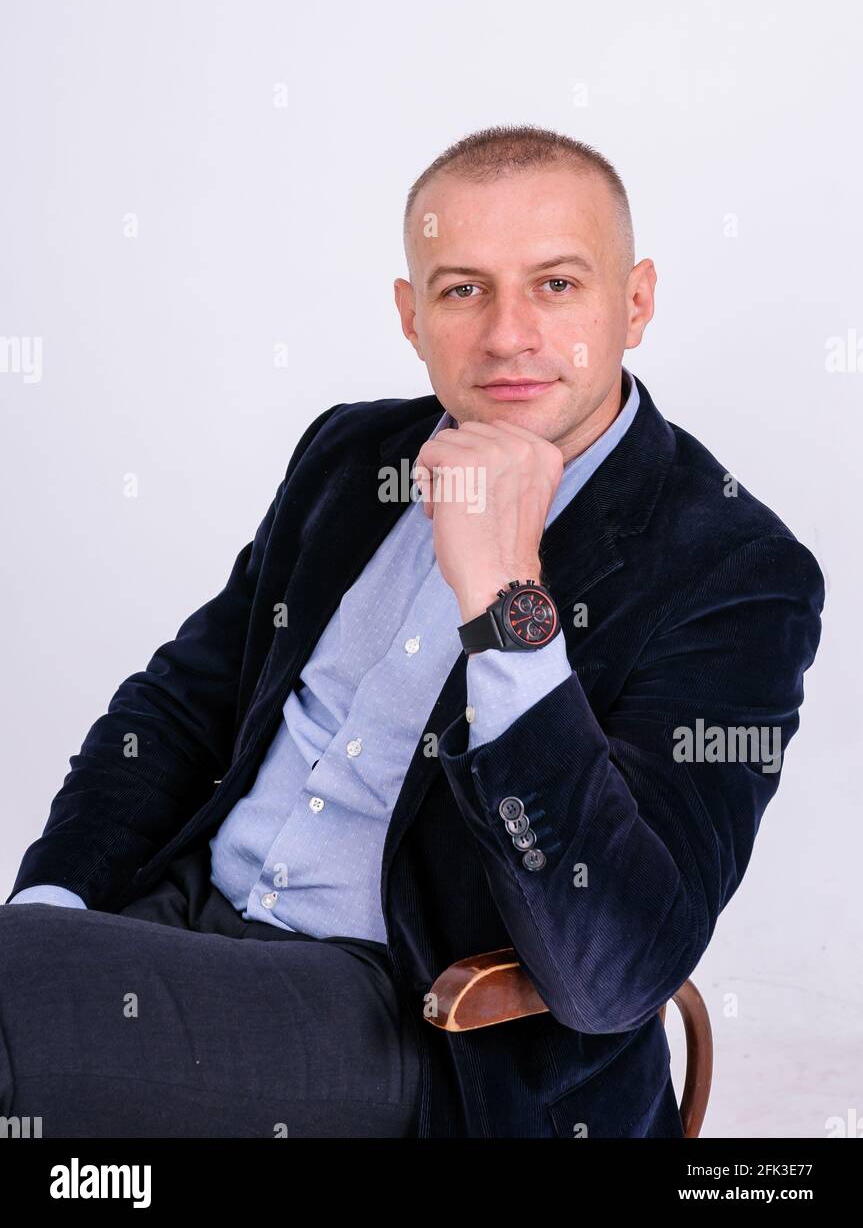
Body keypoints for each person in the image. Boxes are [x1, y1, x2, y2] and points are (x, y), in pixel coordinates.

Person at [2, 125, 824, 1138]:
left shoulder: (732, 571)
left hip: (409, 1025)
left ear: (635, 301)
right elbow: (181, 704)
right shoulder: (353, 453)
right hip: (176, 928)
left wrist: (507, 607)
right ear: (410, 315)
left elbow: (614, 968)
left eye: (556, 285)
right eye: (462, 288)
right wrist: (55, 907)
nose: (507, 334)